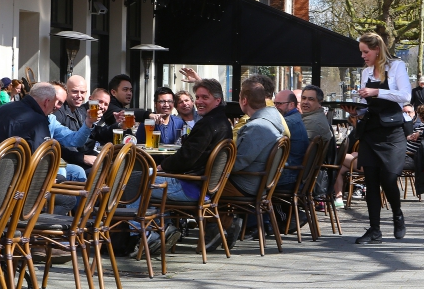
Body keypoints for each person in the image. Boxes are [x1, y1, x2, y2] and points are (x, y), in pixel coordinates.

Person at [129, 79, 233, 252]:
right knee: (147, 178)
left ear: (218, 100)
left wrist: (162, 167)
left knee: (133, 180)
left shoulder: (208, 124)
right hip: (205, 188)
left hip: (190, 187)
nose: (199, 101)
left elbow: (186, 158)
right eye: (198, 97)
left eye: (204, 97)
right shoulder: (223, 122)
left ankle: (141, 234)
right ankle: (166, 228)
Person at [0, 82, 103, 212]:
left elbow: (74, 140)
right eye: (54, 102)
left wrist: (88, 123)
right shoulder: (38, 121)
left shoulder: (0, 110)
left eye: (61, 103)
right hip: (18, 188)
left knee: (66, 176)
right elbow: (41, 162)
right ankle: (34, 228)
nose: (56, 107)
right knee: (68, 199)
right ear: (46, 102)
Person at [352, 32, 411, 244]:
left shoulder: (396, 66)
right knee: (371, 181)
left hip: (392, 132)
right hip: (371, 131)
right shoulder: (366, 72)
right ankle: (375, 230)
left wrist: (376, 92)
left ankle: (397, 214)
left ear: (377, 50)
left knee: (388, 178)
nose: (363, 56)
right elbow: (367, 103)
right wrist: (354, 110)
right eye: (361, 52)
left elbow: (405, 96)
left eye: (366, 52)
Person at [218, 78, 286, 246]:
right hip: (260, 183)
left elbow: (238, 163)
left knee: (202, 184)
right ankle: (224, 225)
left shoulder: (257, 127)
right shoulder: (275, 121)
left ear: (244, 100)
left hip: (248, 185)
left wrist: (212, 165)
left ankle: (221, 227)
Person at [52, 76, 121, 170]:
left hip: (78, 159)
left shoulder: (78, 111)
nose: (79, 95)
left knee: (114, 165)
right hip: (65, 164)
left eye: (82, 92)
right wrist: (82, 158)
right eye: (75, 91)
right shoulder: (58, 111)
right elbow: (55, 144)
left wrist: (119, 125)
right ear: (66, 92)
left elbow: (95, 133)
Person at [273, 90, 310, 189]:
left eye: (279, 104)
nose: (275, 107)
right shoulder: (297, 117)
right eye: (274, 103)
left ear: (291, 105)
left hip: (287, 177)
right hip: (295, 175)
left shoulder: (288, 122)